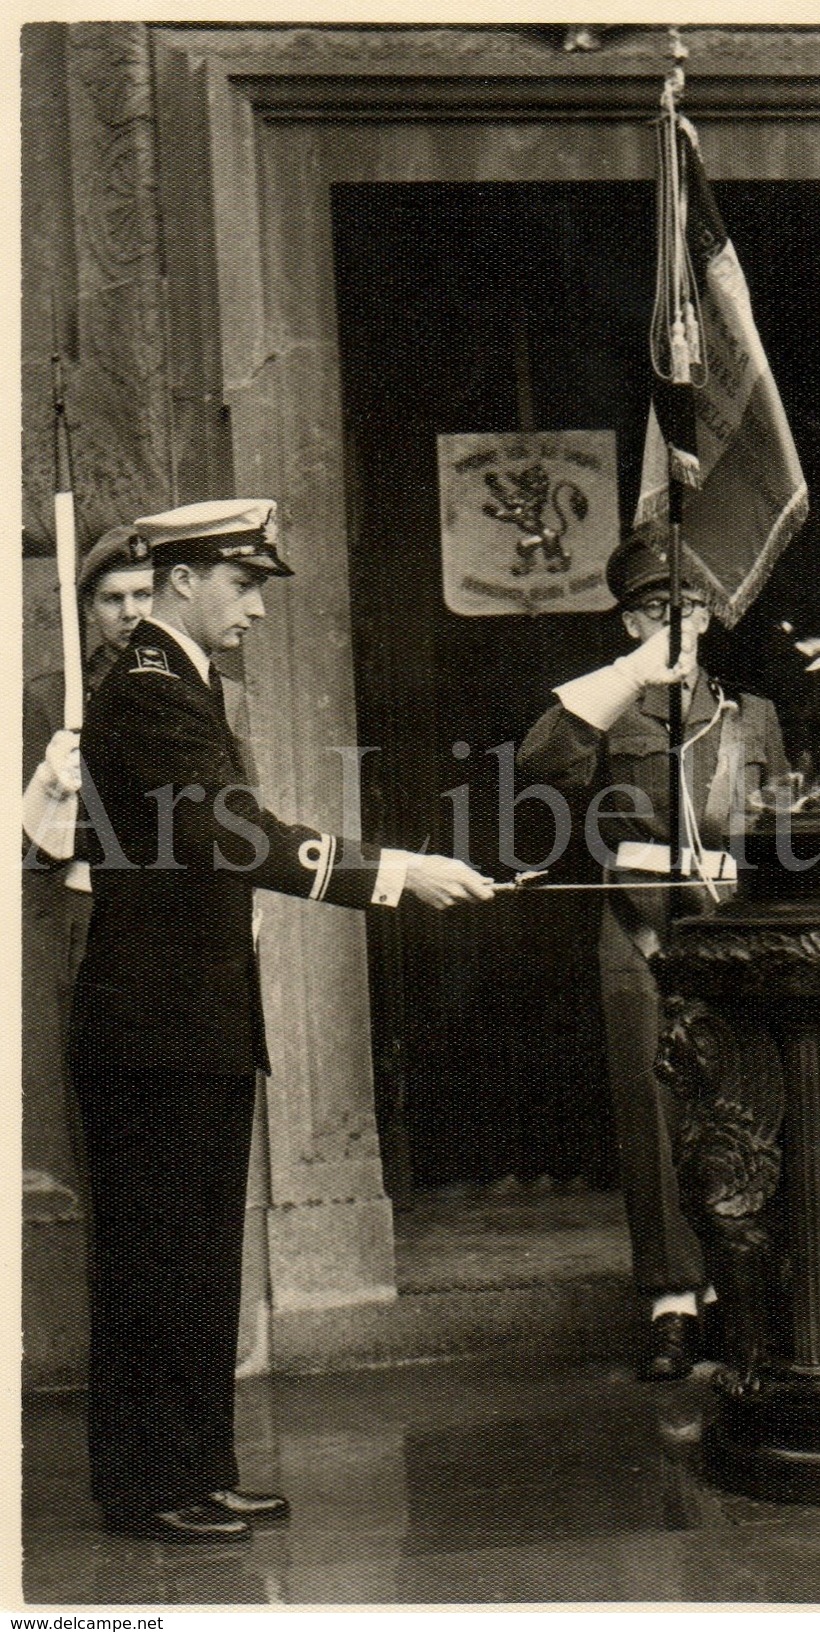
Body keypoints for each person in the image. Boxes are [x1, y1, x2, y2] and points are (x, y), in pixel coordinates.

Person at [69, 498, 495, 1544]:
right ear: (181, 581)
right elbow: (233, 835)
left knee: (196, 1257)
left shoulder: (183, 683)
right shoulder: (151, 690)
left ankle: (195, 1471)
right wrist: (393, 872)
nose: (257, 608)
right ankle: (146, 1488)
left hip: (190, 1021)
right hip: (154, 1027)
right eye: (243, 583)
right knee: (156, 1261)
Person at [517, 532, 789, 1381]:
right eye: (650, 609)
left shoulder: (749, 715)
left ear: (706, 616)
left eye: (686, 608)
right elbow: (539, 763)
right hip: (637, 923)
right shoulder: (609, 707)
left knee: (745, 1100)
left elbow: (782, 830)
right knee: (651, 1106)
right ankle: (672, 1301)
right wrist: (627, 678)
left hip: (731, 926)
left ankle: (743, 1291)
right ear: (629, 621)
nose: (672, 622)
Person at [22, 530, 155, 1204]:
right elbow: (29, 849)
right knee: (101, 1105)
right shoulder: (51, 700)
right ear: (88, 608)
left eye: (143, 594)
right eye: (112, 598)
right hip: (90, 914)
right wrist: (55, 785)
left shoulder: (208, 688)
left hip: (177, 920)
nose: (130, 612)